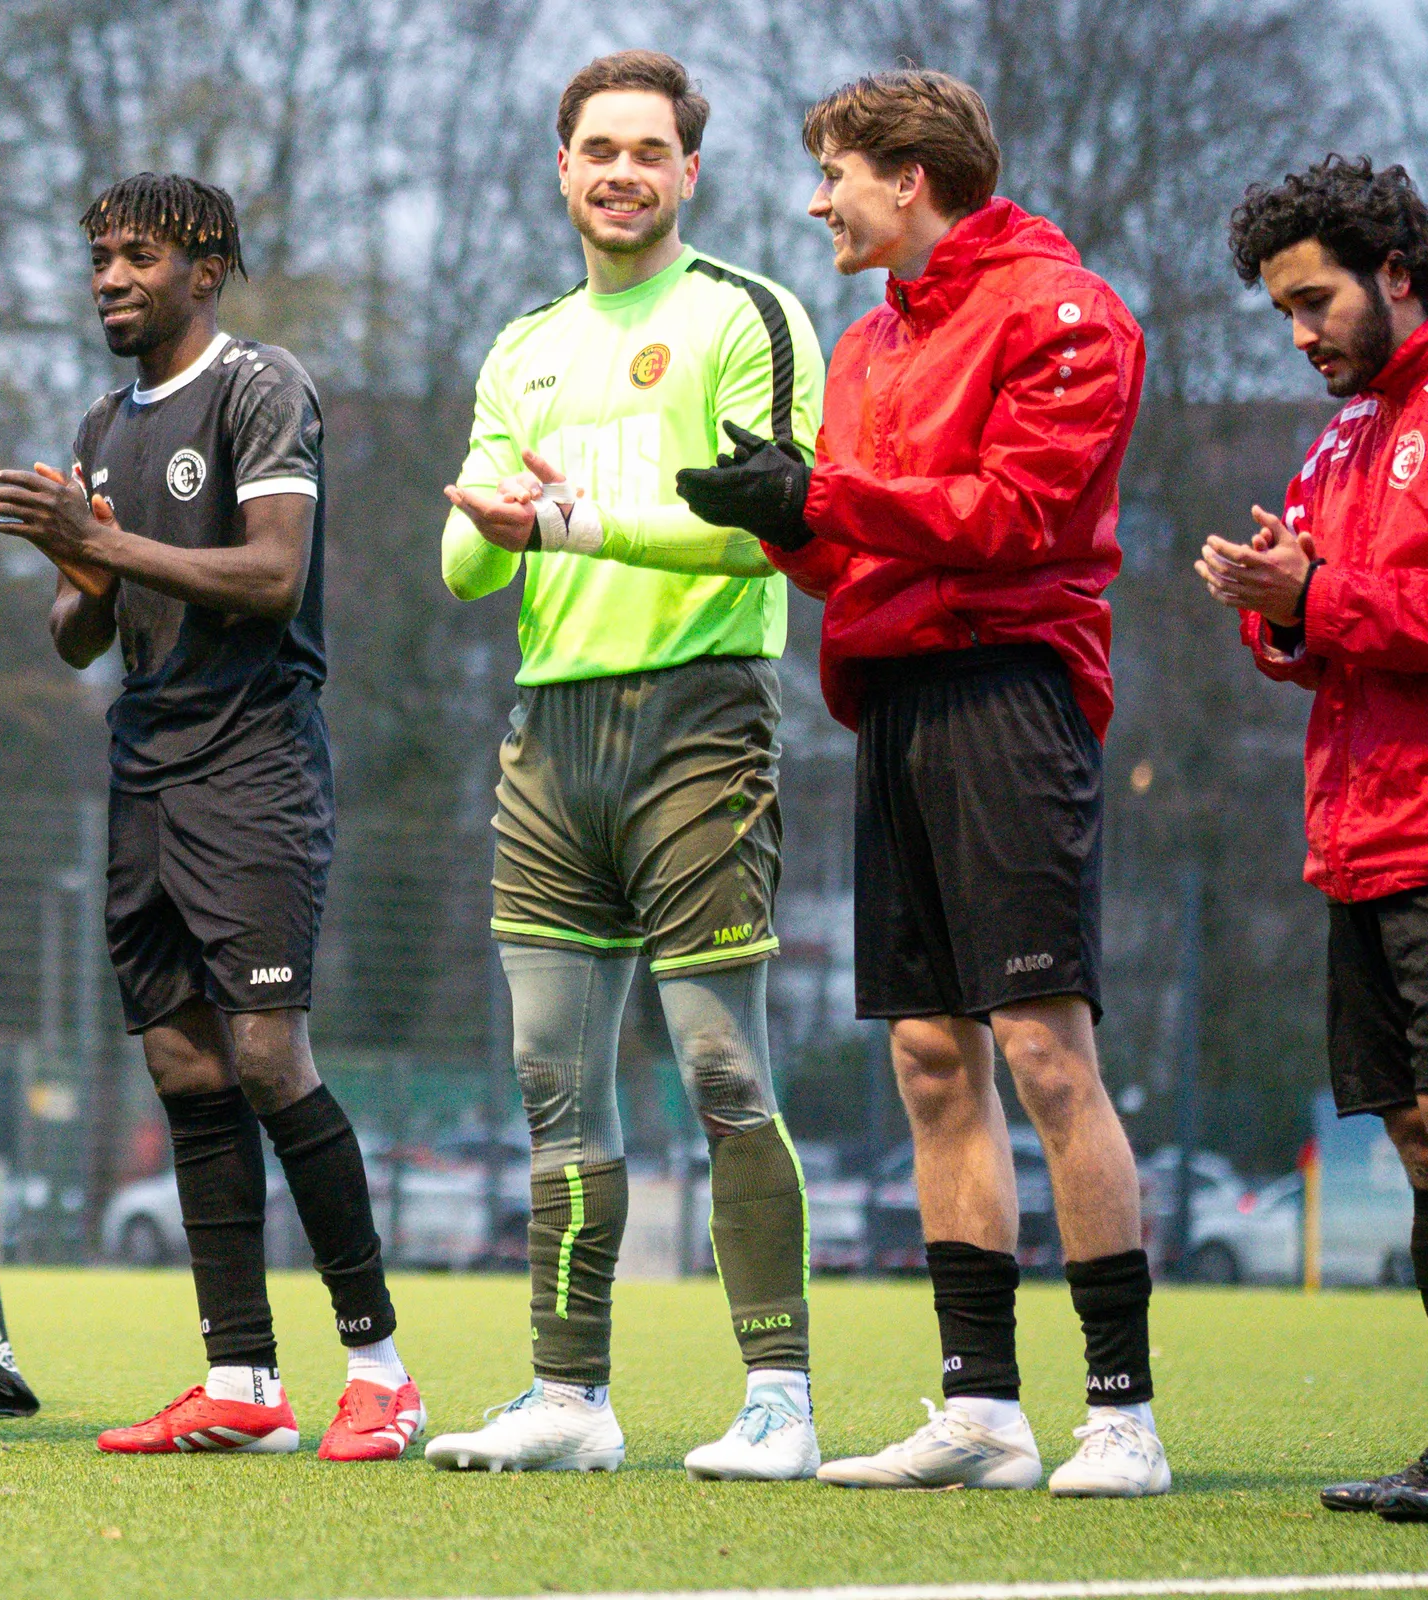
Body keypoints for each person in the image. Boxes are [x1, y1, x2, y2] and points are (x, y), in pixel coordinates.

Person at [676, 70, 1167, 1497]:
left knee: (1043, 1048)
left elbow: (1020, 518)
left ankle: (1122, 1415)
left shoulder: (1066, 312)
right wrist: (784, 518)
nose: (817, 200)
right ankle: (982, 1410)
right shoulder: (867, 345)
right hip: (889, 705)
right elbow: (850, 554)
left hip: (1012, 692)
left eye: (833, 172)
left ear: (910, 175)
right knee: (929, 1058)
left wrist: (825, 503)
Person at [422, 50, 825, 1480]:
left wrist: (576, 521)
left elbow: (771, 525)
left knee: (721, 1061)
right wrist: (499, 510)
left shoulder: (748, 314)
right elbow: (467, 563)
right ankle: (569, 1397)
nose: (621, 172)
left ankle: (779, 1396)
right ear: (561, 166)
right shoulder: (522, 342)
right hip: (552, 732)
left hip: (698, 717)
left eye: (649, 150)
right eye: (597, 147)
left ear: (689, 172)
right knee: (552, 1080)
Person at [0, 173, 408, 1461]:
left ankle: (382, 1367)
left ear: (205, 266)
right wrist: (79, 563)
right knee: (184, 1068)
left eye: (139, 255)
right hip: (145, 770)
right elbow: (76, 638)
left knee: (270, 1055)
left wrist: (107, 550)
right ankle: (241, 1382)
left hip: (254, 762)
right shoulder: (103, 422)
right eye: (100, 255)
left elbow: (273, 576)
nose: (111, 275)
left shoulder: (260, 386)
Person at [1201, 155, 1428, 1520]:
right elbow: (1306, 636)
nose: (1300, 335)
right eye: (1282, 311)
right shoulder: (1340, 438)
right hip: (1358, 840)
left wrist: (1321, 593)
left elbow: (1374, 605)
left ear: (1397, 274)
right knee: (1410, 1138)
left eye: (1316, 301)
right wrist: (1278, 605)